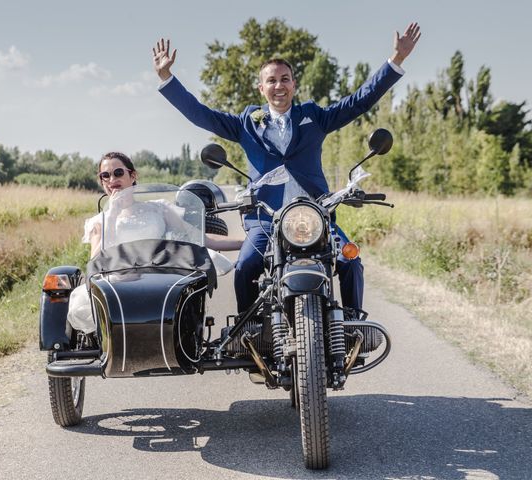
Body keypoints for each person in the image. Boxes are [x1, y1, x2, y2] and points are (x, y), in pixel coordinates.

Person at [153, 23, 421, 315]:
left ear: (294, 84)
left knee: (349, 260)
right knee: (246, 266)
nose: (278, 86)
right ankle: (248, 331)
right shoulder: (247, 122)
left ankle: (353, 325)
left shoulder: (314, 117)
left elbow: (358, 102)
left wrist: (396, 61)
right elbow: (201, 114)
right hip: (265, 220)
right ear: (261, 88)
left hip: (316, 214)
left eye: (284, 79)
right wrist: (167, 78)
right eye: (271, 81)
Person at [66, 151, 243, 340]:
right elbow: (96, 261)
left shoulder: (158, 208)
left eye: (118, 173)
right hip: (118, 280)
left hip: (159, 275)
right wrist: (112, 214)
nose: (112, 179)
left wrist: (244, 243)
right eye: (105, 176)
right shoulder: (99, 221)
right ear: (102, 182)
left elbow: (198, 238)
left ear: (132, 176)